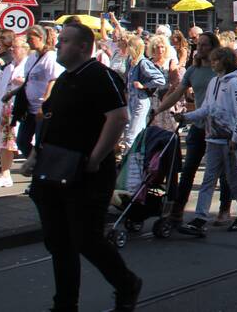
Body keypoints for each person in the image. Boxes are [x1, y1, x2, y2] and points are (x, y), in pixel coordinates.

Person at [31, 22, 142, 311]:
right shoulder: (66, 78)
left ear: (82, 46)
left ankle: (126, 283)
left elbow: (118, 118)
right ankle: (65, 303)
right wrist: (34, 154)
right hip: (54, 169)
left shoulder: (100, 76)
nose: (58, 44)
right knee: (59, 242)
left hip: (86, 173)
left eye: (64, 41)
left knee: (86, 239)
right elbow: (50, 117)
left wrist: (95, 158)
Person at [152, 31, 232, 225]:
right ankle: (177, 211)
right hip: (198, 125)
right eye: (199, 44)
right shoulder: (193, 71)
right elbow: (178, 92)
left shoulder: (220, 71)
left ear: (214, 49)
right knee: (188, 169)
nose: (200, 48)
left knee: (223, 171)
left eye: (205, 45)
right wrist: (158, 109)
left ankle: (224, 208)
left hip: (219, 127)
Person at [175, 46, 237, 235]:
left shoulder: (233, 84)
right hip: (213, 139)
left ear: (224, 61)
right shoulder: (214, 83)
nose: (212, 63)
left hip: (228, 141)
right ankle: (201, 217)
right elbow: (207, 109)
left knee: (234, 179)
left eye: (216, 60)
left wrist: (235, 137)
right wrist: (186, 117)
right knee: (208, 179)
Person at [0, 35, 28, 191]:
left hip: (21, 111)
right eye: (11, 47)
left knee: (23, 143)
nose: (12, 50)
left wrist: (23, 82)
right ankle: (5, 175)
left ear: (25, 49)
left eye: (15, 47)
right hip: (6, 110)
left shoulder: (28, 66)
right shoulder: (10, 66)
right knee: (6, 144)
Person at [18, 25, 64, 160]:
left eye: (31, 38)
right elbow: (28, 80)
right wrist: (13, 93)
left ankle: (41, 166)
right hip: (29, 108)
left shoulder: (50, 57)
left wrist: (44, 104)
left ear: (40, 38)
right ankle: (36, 163)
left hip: (42, 109)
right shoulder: (32, 57)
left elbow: (53, 80)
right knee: (21, 141)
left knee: (40, 142)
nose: (28, 41)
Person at [121, 35, 165, 149]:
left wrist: (144, 85)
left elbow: (160, 79)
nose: (127, 48)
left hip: (140, 100)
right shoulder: (130, 61)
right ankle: (135, 158)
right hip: (131, 100)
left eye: (129, 45)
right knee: (130, 130)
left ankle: (130, 161)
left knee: (133, 134)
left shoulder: (143, 62)